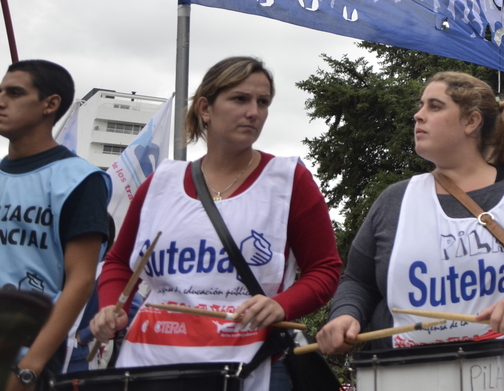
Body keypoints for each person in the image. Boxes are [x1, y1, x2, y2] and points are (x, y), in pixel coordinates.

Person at [317, 71, 504, 391]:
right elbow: (359, 281)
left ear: (471, 121)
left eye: (434, 106)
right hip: (405, 379)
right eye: (421, 105)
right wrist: (346, 314)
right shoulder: (394, 200)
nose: (418, 115)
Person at [89, 57, 341, 391]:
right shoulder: (161, 182)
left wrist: (282, 305)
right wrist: (111, 306)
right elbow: (120, 263)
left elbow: (325, 269)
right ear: (205, 108)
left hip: (250, 366)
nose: (253, 112)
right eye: (240, 99)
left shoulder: (289, 180)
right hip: (152, 365)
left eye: (263, 102)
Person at [1, 60, 111, 391]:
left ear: (50, 104)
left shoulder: (80, 179)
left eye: (14, 93)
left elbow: (81, 280)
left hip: (25, 353)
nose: (1, 101)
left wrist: (29, 367)